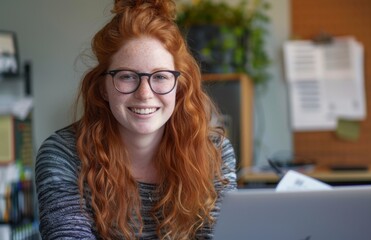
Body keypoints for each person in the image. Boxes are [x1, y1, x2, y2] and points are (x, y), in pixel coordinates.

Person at [35, 0, 237, 239]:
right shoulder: (63, 155)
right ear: (102, 88)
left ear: (179, 88)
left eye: (160, 76)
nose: (144, 94)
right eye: (127, 76)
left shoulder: (214, 153)